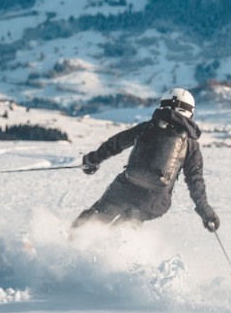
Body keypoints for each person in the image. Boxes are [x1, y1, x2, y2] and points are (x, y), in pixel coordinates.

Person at [72, 87, 220, 232]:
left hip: (125, 187)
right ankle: (118, 248)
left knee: (96, 217)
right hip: (156, 200)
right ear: (190, 112)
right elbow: (195, 181)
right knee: (125, 227)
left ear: (163, 105)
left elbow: (116, 143)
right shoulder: (191, 145)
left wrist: (93, 160)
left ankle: (70, 242)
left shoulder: (146, 127)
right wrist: (205, 212)